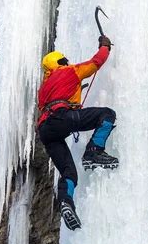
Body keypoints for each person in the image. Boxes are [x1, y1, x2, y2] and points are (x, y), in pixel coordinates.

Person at [37, 35, 118, 231]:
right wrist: (105, 46)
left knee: (68, 172)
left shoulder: (44, 87)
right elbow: (96, 62)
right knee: (107, 115)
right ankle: (94, 151)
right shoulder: (70, 71)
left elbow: (57, 96)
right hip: (62, 117)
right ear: (61, 62)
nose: (68, 62)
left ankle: (66, 202)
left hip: (46, 130)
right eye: (64, 60)